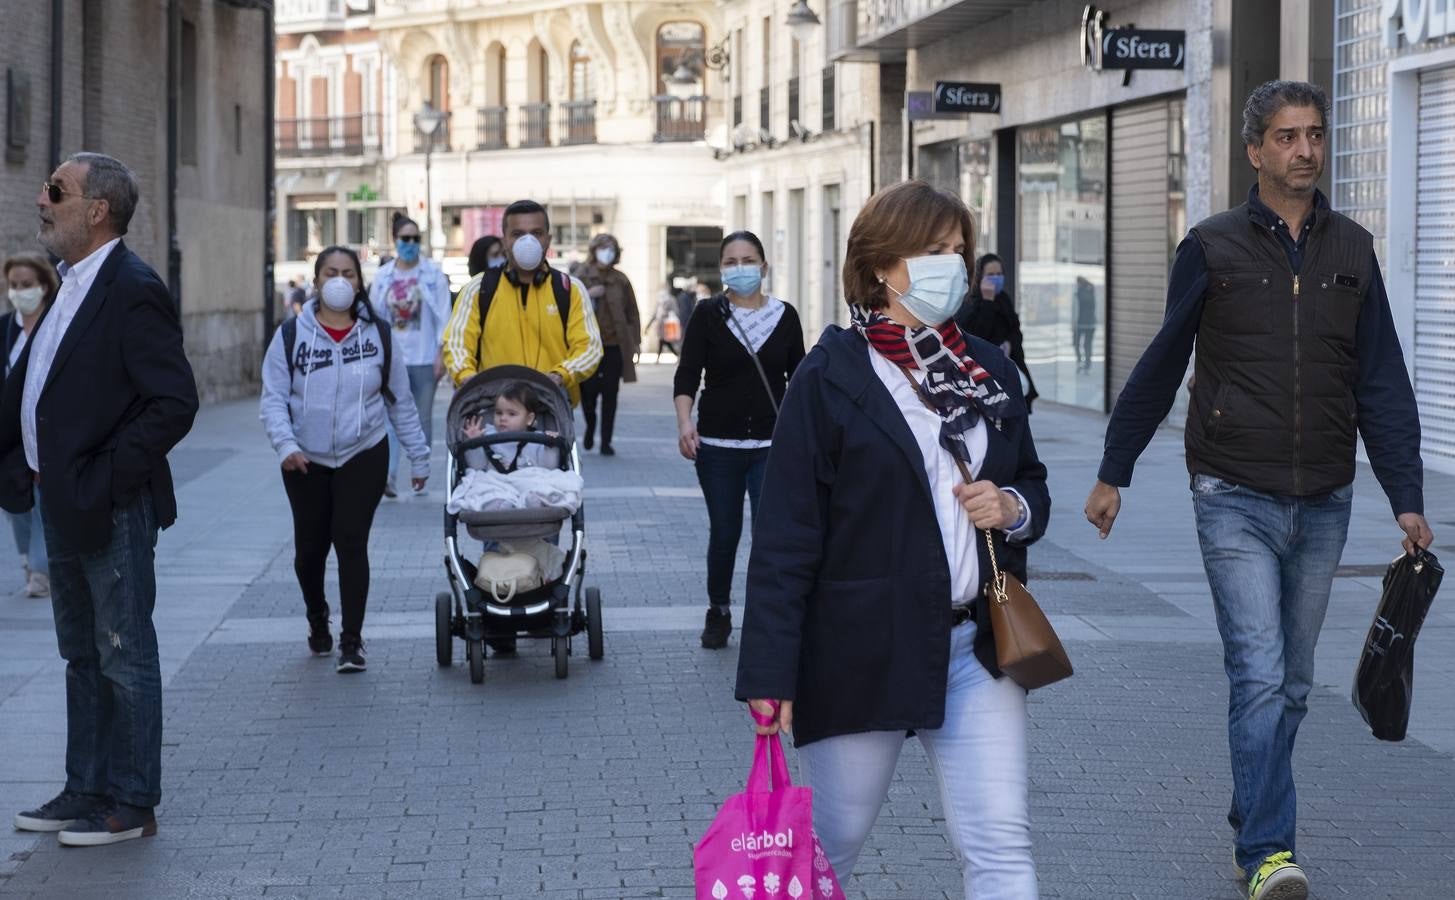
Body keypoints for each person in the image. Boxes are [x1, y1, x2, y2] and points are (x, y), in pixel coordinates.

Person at [1084, 81, 1431, 900]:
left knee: (1294, 679)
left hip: (1325, 496)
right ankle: (1269, 852)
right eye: (1284, 137)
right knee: (1260, 672)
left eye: (1312, 135)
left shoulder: (1352, 249)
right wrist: (1113, 469)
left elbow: (1380, 379)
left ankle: (1253, 802)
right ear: (1253, 150)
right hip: (1231, 490)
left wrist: (1405, 494)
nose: (1302, 150)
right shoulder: (1210, 245)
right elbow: (1162, 360)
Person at [734, 180, 1048, 896]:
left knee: (1000, 844)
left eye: (958, 251)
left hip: (975, 647)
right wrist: (768, 674)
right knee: (828, 849)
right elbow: (785, 537)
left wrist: (1012, 506)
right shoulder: (828, 376)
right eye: (933, 251)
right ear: (880, 265)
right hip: (858, 647)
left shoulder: (986, 370)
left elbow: (1030, 479)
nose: (954, 266)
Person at [4, 152, 199, 846]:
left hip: (109, 506)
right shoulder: (69, 284)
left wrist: (108, 475)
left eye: (56, 191)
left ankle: (130, 800)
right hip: (60, 503)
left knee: (123, 652)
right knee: (81, 653)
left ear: (97, 211)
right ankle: (85, 788)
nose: (41, 200)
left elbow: (173, 401)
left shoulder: (130, 287)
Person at [261, 245, 430, 674]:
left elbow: (401, 402)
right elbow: (274, 399)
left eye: (349, 273)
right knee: (309, 552)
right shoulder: (290, 336)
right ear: (316, 281)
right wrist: (286, 446)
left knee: (350, 540)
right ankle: (318, 617)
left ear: (361, 281)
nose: (340, 281)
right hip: (305, 459)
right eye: (331, 272)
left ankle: (352, 641)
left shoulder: (380, 336)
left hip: (365, 450)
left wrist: (419, 457)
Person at [673, 231, 805, 649]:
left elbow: (799, 378)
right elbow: (687, 374)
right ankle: (719, 610)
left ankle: (769, 615)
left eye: (748, 259)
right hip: (717, 447)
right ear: (721, 269)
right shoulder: (708, 314)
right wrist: (684, 423)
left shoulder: (785, 316)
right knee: (725, 532)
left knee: (771, 533)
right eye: (730, 261)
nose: (739, 267)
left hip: (772, 446)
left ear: (764, 266)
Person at [442, 199, 603, 404]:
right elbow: (457, 342)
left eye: (536, 233)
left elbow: (590, 347)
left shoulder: (570, 290)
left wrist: (561, 375)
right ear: (505, 241)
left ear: (548, 239)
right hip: (494, 409)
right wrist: (467, 377)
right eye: (517, 234)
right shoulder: (477, 289)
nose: (528, 242)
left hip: (551, 406)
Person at [369, 214, 450, 498]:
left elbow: (444, 317)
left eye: (416, 239)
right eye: (406, 239)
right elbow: (374, 317)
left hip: (425, 358)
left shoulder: (433, 275)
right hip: (392, 360)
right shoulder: (383, 276)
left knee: (422, 418)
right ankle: (388, 476)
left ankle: (421, 468)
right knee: (389, 420)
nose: (411, 244)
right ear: (395, 241)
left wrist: (442, 353)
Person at [1, 254, 58, 597]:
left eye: (27, 285)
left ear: (43, 285)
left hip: (45, 429)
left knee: (41, 501)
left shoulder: (55, 323)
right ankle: (29, 558)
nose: (20, 292)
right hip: (10, 434)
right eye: (14, 286)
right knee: (15, 503)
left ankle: (41, 570)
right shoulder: (5, 328)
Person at [574, 233, 641, 455]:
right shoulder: (581, 276)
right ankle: (590, 423)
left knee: (611, 394)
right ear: (594, 250)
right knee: (588, 392)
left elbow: (632, 312)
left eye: (612, 249)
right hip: (588, 347)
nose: (608, 253)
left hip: (614, 345)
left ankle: (606, 441)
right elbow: (569, 306)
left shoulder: (620, 279)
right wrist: (588, 293)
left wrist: (636, 342)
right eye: (604, 248)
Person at [954, 252, 1038, 412]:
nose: (996, 278)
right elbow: (977, 335)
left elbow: (1015, 330)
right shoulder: (969, 301)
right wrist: (987, 302)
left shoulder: (1004, 299)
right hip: (980, 375)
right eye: (990, 275)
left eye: (999, 274)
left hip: (1006, 368)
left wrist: (1009, 344)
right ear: (979, 277)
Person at [461, 381, 555, 473]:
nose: (502, 418)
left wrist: (551, 445)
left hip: (529, 483)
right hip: (495, 484)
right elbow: (476, 466)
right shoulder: (486, 437)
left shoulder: (538, 440)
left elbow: (549, 468)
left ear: (529, 419)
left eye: (511, 414)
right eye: (498, 413)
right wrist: (474, 443)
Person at [646, 279, 684, 360]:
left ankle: (676, 355)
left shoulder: (671, 300)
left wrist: (666, 314)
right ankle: (674, 355)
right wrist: (648, 325)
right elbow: (655, 314)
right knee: (663, 341)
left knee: (667, 342)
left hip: (668, 326)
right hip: (661, 326)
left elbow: (676, 311)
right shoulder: (659, 301)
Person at [1072, 276, 1097, 374]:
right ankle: (1087, 364)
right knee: (1087, 345)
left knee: (1077, 343)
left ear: (1079, 283)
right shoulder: (1091, 292)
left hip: (1081, 324)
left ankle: (1080, 362)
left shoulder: (1079, 293)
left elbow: (1076, 310)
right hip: (1091, 324)